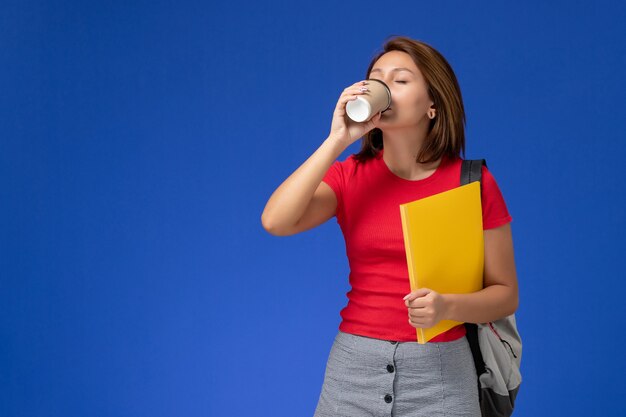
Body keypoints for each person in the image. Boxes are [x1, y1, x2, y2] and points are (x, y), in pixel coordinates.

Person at [261, 36, 518, 417]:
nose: (383, 87)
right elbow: (276, 221)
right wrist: (337, 140)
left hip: (443, 375)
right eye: (376, 79)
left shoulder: (473, 183)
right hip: (353, 368)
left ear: (432, 103)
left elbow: (506, 294)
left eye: (400, 80)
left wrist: (448, 306)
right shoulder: (350, 176)